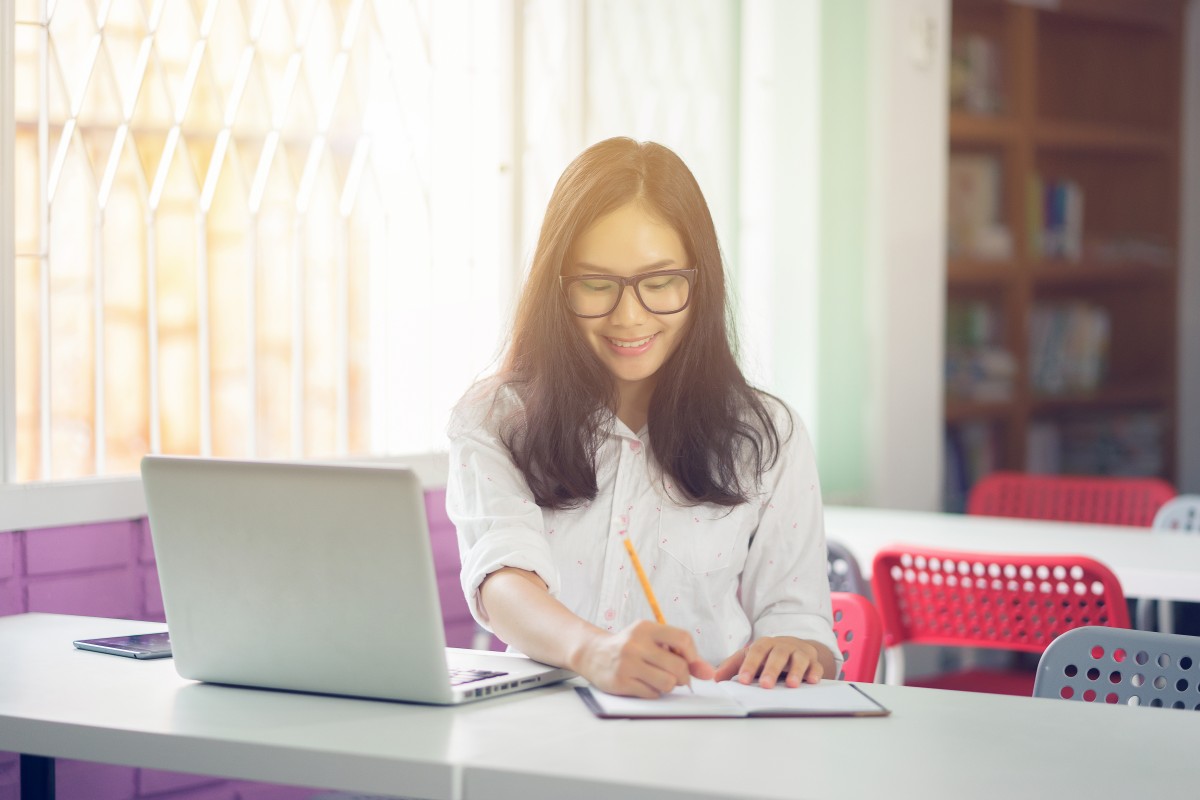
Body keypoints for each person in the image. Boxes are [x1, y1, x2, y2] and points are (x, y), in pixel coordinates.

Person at [446, 137, 838, 698]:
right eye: (596, 285)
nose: (630, 317)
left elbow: (801, 623)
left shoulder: (768, 436)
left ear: (700, 283)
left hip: (709, 747)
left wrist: (796, 648)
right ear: (557, 288)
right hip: (543, 738)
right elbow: (502, 577)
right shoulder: (496, 418)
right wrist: (593, 652)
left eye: (659, 283)